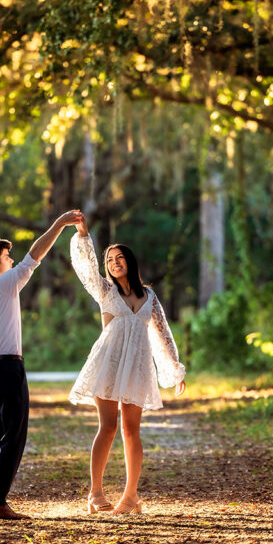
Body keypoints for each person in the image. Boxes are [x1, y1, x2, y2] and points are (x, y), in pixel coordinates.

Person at [0, 209, 84, 520]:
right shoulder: (5, 284)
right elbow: (35, 255)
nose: (12, 261)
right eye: (7, 256)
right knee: (14, 435)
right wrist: (59, 224)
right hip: (8, 369)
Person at [68, 216, 186, 515]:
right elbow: (86, 266)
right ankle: (95, 494)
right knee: (107, 427)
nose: (114, 262)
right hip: (107, 363)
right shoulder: (106, 291)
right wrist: (83, 234)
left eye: (119, 258)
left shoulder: (149, 295)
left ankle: (131, 496)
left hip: (136, 366)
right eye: (110, 259)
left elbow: (162, 333)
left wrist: (174, 368)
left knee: (132, 431)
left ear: (130, 262)